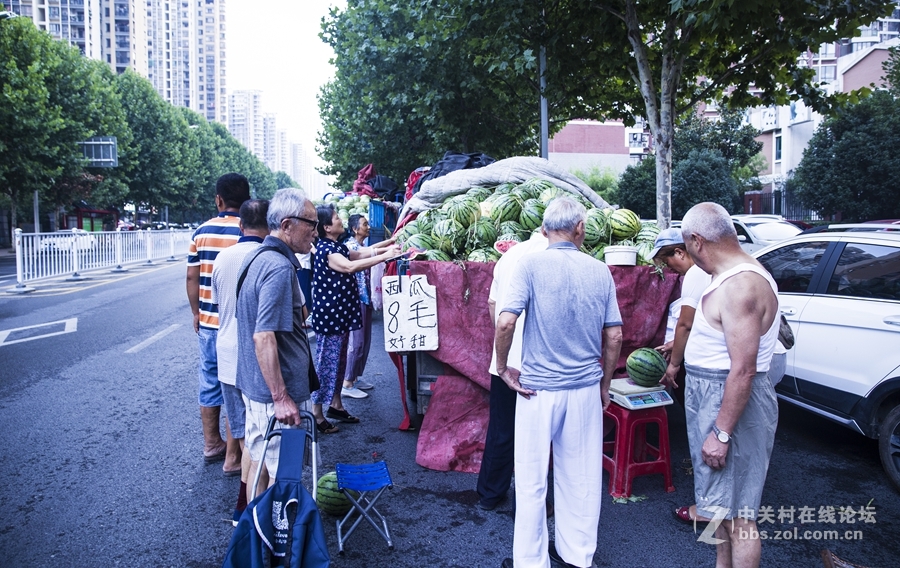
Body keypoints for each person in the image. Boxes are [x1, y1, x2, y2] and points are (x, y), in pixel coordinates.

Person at [496, 196, 623, 568]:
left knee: (533, 480)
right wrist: (605, 383)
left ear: (543, 229)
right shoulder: (600, 270)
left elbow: (505, 322)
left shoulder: (529, 264)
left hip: (538, 391)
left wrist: (503, 368)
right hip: (584, 389)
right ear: (580, 229)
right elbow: (614, 336)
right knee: (581, 478)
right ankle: (578, 556)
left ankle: (531, 561)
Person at [681, 202, 780, 568]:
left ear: (697, 241)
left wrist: (721, 433)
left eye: (689, 249)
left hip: (730, 402)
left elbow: (743, 370)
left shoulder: (742, 285)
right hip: (715, 397)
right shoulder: (729, 277)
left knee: (740, 517)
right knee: (719, 511)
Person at [234, 188, 318, 499]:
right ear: (286, 225)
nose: (315, 230)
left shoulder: (256, 256)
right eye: (310, 223)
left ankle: (257, 535)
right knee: (285, 474)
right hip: (278, 401)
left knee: (261, 464)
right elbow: (262, 335)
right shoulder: (278, 267)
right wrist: (281, 397)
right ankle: (281, 541)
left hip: (258, 390)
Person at [310, 204, 400, 433]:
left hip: (340, 316)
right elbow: (350, 266)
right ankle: (317, 415)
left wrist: (387, 248)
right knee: (326, 366)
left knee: (338, 364)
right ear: (327, 227)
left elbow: (360, 254)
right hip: (331, 318)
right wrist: (386, 256)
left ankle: (336, 405)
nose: (341, 220)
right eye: (336, 217)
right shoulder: (325, 250)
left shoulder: (335, 245)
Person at [476, 231, 548, 511]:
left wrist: (505, 343)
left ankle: (489, 495)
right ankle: (533, 502)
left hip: (504, 359)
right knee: (537, 434)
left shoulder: (509, 256)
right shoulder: (553, 255)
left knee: (501, 429)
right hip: (538, 361)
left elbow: (493, 304)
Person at [210, 199, 269, 526]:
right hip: (260, 359)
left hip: (228, 353)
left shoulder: (222, 258)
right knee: (263, 438)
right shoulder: (272, 258)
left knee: (248, 435)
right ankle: (254, 513)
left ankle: (245, 509)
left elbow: (220, 309)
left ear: (240, 225)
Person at [186, 173, 250, 471]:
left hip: (209, 323)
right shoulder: (247, 232)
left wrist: (196, 313)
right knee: (234, 383)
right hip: (237, 324)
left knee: (210, 381)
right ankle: (234, 452)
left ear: (218, 200)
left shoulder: (201, 232)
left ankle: (212, 443)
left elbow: (192, 277)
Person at [649, 228, 713, 527]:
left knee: (706, 434)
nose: (667, 269)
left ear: (680, 252)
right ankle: (722, 501)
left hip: (712, 370)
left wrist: (673, 365)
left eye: (666, 261)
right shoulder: (716, 270)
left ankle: (708, 507)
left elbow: (686, 325)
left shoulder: (695, 275)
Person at [341, 214, 381, 398]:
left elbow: (372, 250)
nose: (368, 227)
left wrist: (391, 243)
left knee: (364, 342)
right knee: (356, 343)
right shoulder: (351, 247)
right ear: (355, 229)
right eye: (364, 224)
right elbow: (371, 254)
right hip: (356, 300)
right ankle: (347, 383)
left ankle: (355, 377)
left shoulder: (362, 246)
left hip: (364, 299)